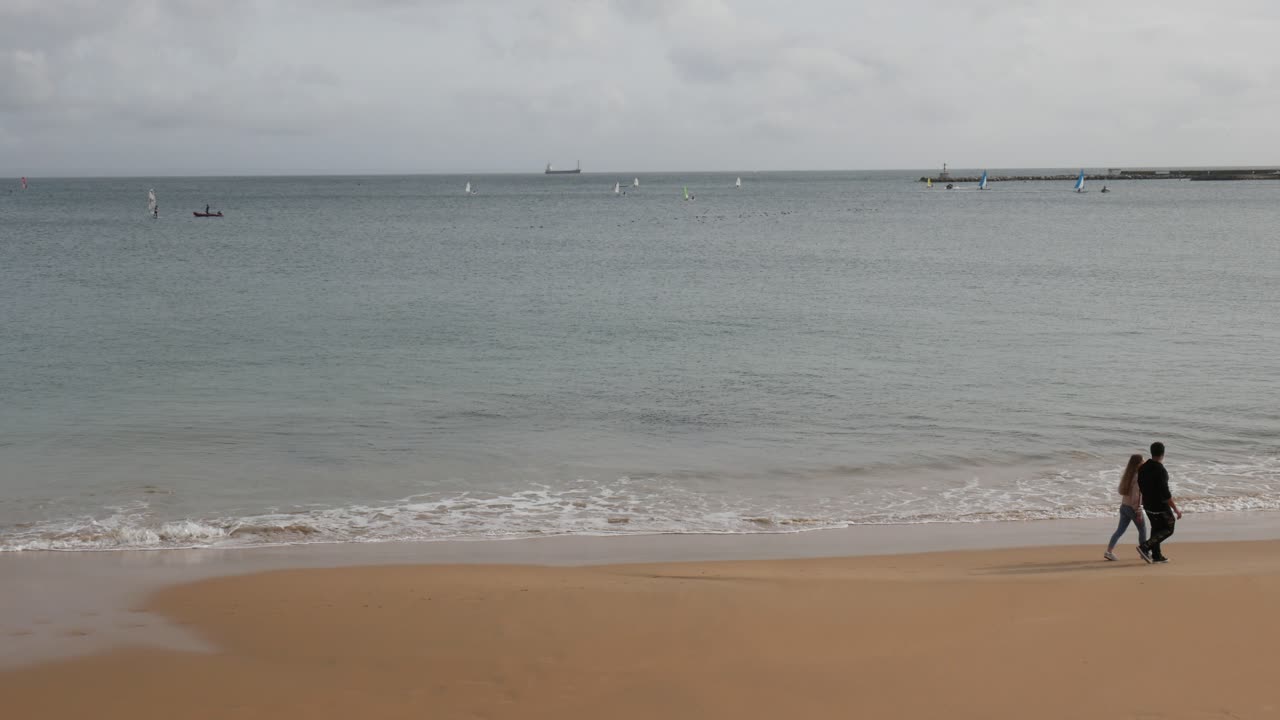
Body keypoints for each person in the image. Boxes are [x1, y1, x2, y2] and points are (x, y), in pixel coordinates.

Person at [1137, 442, 1181, 563]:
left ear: (1151, 452)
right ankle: (1145, 546)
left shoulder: (1142, 467)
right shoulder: (1161, 470)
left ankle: (1157, 556)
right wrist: (1176, 509)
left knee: (1156, 528)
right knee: (1169, 527)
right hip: (1160, 506)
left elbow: (1140, 486)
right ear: (1163, 453)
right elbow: (1166, 494)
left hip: (1148, 505)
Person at [1104, 454, 1147, 560]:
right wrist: (1138, 511)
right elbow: (1136, 498)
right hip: (1132, 508)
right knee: (1142, 529)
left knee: (1119, 530)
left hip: (1124, 507)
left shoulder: (1128, 475)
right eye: (1142, 461)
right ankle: (1144, 552)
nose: (1144, 462)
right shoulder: (1138, 477)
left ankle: (1109, 552)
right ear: (1138, 464)